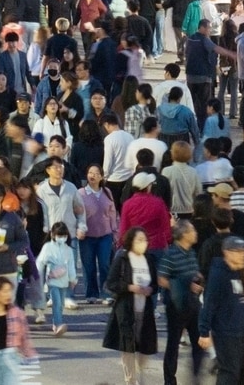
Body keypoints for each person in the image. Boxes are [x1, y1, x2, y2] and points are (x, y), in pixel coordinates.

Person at [198, 237, 244, 385]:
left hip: (240, 333)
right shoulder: (219, 274)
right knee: (229, 374)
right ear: (227, 252)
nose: (243, 255)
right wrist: (204, 332)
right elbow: (209, 304)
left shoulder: (241, 272)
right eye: (238, 252)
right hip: (225, 333)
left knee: (241, 375)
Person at [104, 227, 159, 385]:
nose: (143, 243)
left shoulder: (149, 259)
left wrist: (151, 289)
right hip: (126, 307)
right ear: (131, 241)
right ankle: (130, 379)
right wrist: (130, 287)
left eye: (145, 240)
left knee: (145, 344)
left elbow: (155, 284)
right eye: (139, 240)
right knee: (127, 344)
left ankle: (139, 370)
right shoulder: (122, 258)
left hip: (145, 307)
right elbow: (111, 283)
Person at [157, 220, 205, 385]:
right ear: (183, 234)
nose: (195, 233)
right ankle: (169, 380)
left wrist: (199, 279)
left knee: (198, 342)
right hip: (176, 305)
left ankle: (196, 376)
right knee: (173, 344)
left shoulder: (191, 252)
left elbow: (194, 272)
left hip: (193, 303)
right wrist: (184, 284)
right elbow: (162, 279)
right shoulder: (170, 254)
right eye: (192, 230)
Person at [80, 164, 119, 303]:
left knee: (104, 264)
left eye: (96, 173)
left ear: (101, 176)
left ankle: (106, 293)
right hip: (87, 236)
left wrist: (115, 232)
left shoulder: (107, 192)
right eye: (90, 172)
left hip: (105, 235)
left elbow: (112, 213)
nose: (93, 175)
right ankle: (91, 293)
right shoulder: (81, 193)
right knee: (88, 265)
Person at [36, 222, 78, 335]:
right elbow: (40, 262)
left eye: (64, 236)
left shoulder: (68, 250)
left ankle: (56, 325)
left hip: (64, 282)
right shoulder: (48, 247)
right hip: (52, 281)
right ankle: (59, 324)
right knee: (57, 302)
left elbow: (71, 266)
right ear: (53, 235)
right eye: (59, 236)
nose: (62, 238)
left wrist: (73, 279)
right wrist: (37, 276)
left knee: (61, 304)